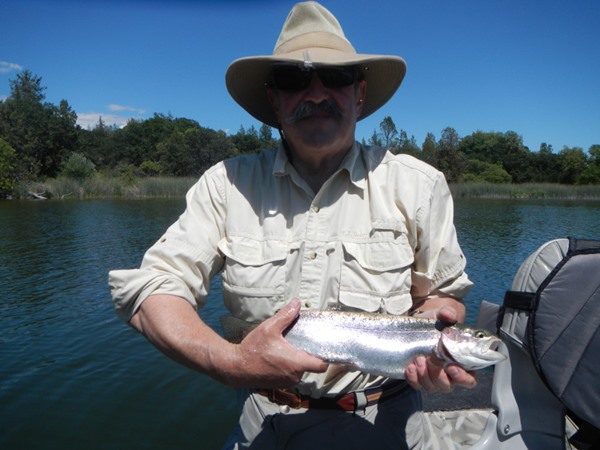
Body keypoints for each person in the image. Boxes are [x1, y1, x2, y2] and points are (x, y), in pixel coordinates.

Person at [109, 2, 476, 449]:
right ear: (274, 99)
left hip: (386, 417)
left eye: (335, 77)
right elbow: (151, 290)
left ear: (359, 95)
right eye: (294, 79)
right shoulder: (226, 184)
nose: (316, 92)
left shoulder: (420, 185)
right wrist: (230, 362)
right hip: (264, 419)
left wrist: (435, 327)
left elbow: (442, 295)